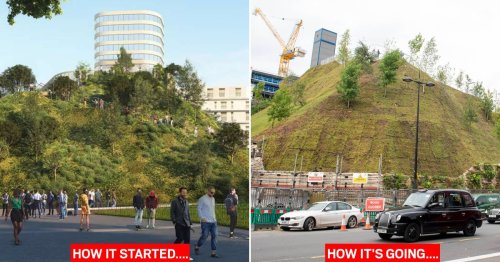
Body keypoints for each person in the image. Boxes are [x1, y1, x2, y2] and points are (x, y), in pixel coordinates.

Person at [195, 186, 219, 258]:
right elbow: (199, 209)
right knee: (205, 235)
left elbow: (212, 209)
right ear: (208, 191)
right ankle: (197, 245)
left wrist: (215, 218)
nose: (213, 194)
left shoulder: (213, 199)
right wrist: (202, 218)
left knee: (214, 235)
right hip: (205, 221)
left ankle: (213, 252)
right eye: (211, 192)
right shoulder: (202, 199)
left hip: (213, 221)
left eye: (214, 193)